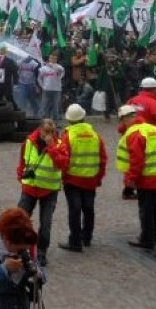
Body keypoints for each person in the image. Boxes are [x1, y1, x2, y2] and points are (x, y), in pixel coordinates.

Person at [117, 104, 156, 249]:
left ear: (126, 119)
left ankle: (146, 239)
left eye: (122, 120)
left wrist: (131, 179)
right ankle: (153, 237)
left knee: (146, 211)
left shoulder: (135, 133)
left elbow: (137, 160)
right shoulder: (152, 128)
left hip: (149, 177)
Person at [56, 104, 107, 251]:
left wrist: (63, 177)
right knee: (89, 209)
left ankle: (75, 241)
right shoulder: (95, 135)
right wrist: (99, 177)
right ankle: (87, 238)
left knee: (75, 210)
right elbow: (103, 158)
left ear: (69, 120)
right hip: (90, 179)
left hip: (73, 180)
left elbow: (64, 160)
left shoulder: (68, 136)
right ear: (84, 118)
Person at [16, 118, 64, 266]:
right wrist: (21, 175)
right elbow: (23, 161)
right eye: (46, 131)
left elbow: (63, 163)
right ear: (40, 130)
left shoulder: (59, 144)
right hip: (30, 187)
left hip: (49, 190)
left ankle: (42, 251)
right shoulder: (29, 142)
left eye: (52, 132)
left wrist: (52, 148)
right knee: (21, 218)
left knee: (46, 222)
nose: (49, 135)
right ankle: (19, 246)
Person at [37, 53, 65, 121]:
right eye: (51, 58)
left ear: (56, 59)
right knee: (44, 105)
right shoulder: (43, 68)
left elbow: (61, 71)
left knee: (56, 106)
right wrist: (42, 86)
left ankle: (55, 120)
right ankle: (41, 119)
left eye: (54, 59)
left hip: (57, 90)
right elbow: (39, 78)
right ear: (49, 59)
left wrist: (54, 66)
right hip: (46, 90)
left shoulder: (59, 67)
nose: (52, 60)